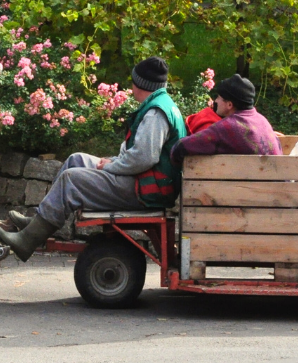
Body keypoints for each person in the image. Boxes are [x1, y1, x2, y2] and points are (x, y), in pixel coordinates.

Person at [0, 56, 187, 262]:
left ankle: (27, 241)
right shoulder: (161, 105)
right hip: (144, 182)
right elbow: (142, 155)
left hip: (146, 191)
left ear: (140, 84)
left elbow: (143, 158)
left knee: (71, 179)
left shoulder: (155, 113)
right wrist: (113, 162)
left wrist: (111, 166)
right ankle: (37, 221)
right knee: (76, 160)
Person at [171, 74, 282, 163]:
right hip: (275, 182)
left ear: (229, 105)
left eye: (219, 97)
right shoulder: (263, 121)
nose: (216, 101)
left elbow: (180, 148)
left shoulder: (228, 127)